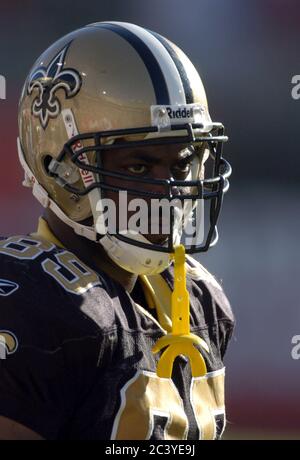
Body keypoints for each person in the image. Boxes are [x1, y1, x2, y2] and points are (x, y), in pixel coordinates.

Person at [0, 21, 234, 440]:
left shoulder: (201, 302)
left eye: (181, 164)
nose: (168, 191)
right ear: (59, 165)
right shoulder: (30, 306)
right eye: (139, 166)